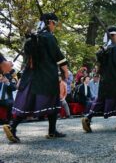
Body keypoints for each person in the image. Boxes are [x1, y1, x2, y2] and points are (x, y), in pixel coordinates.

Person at [4, 13, 69, 143]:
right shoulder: (48, 37)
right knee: (53, 102)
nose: (54, 27)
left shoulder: (34, 38)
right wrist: (65, 71)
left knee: (28, 103)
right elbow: (58, 56)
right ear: (50, 22)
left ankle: (15, 127)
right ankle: (14, 127)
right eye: (54, 23)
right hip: (46, 77)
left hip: (31, 76)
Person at [82, 26, 116, 133]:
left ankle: (88, 118)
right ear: (115, 35)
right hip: (114, 80)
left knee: (100, 101)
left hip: (104, 80)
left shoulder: (103, 49)